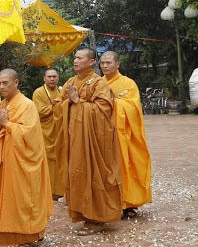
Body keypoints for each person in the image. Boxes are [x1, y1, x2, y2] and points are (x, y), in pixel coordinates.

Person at [0, 69, 53, 247]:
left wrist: (6, 124)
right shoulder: (2, 105)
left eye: (5, 83)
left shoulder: (27, 105)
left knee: (26, 198)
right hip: (9, 162)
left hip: (25, 163)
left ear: (16, 83)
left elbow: (30, 135)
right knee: (13, 200)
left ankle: (29, 237)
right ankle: (18, 235)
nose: (1, 87)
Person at [56, 48, 122, 235]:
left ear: (91, 62)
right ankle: (83, 213)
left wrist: (78, 102)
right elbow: (59, 108)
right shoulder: (71, 82)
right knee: (77, 174)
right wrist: (68, 103)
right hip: (74, 140)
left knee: (94, 175)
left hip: (93, 142)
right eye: (74, 58)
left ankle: (97, 218)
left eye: (79, 58)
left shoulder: (99, 83)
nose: (75, 61)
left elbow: (104, 111)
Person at [100, 51, 152, 218]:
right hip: (103, 135)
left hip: (123, 135)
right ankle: (108, 204)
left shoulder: (128, 84)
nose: (105, 66)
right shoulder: (97, 83)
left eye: (108, 62)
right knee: (106, 170)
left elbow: (133, 109)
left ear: (117, 64)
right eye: (102, 63)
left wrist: (113, 102)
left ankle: (128, 203)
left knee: (125, 168)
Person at [32, 68, 64, 199]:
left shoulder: (61, 91)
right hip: (44, 131)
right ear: (44, 78)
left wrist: (58, 106)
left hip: (58, 131)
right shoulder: (38, 93)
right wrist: (55, 106)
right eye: (49, 77)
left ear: (58, 78)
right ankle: (46, 190)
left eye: (54, 76)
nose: (52, 79)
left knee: (58, 160)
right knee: (45, 160)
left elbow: (65, 107)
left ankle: (59, 191)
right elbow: (38, 111)